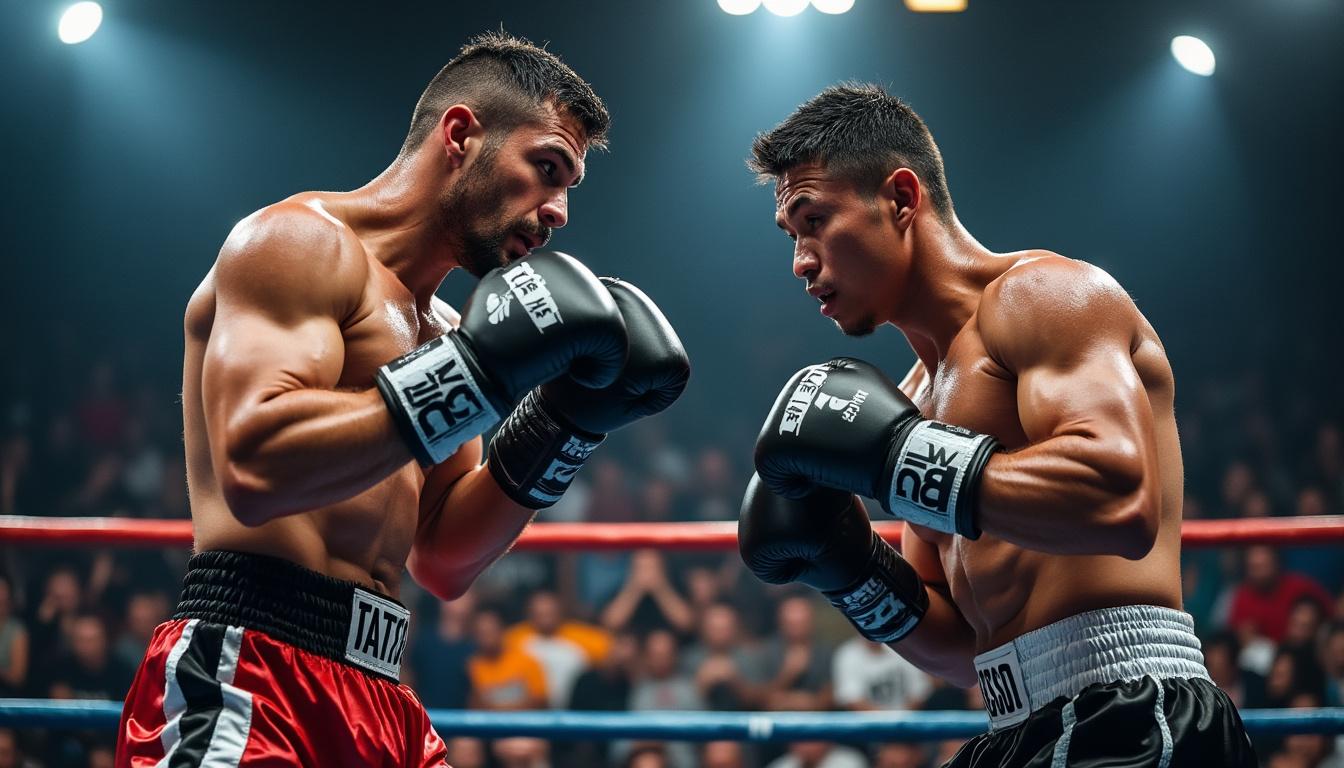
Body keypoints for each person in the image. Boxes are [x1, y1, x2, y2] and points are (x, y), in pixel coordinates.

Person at [116, 31, 689, 767]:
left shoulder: (448, 331)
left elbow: (445, 558)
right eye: (546, 169)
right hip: (246, 672)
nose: (558, 212)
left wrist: (564, 423)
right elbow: (254, 467)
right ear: (461, 134)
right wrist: (475, 375)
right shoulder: (296, 244)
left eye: (568, 187)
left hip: (381, 694)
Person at [737, 83, 1255, 765]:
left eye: (814, 221)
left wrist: (897, 459)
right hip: (1014, 725)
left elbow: (1120, 502)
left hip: (1130, 706)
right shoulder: (910, 403)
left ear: (901, 198)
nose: (801, 261)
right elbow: (961, 652)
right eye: (792, 235)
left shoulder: (1046, 296)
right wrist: (850, 567)